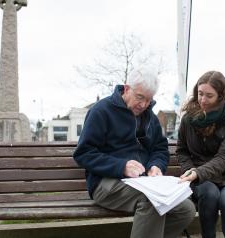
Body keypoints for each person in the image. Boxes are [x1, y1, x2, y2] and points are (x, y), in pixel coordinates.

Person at [73, 69, 196, 238]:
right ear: (126, 89)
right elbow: (84, 153)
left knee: (186, 209)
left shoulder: (150, 118)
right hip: (106, 183)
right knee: (152, 201)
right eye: (140, 97)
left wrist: (156, 165)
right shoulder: (101, 111)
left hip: (143, 183)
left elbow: (159, 148)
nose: (144, 104)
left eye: (149, 99)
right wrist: (121, 166)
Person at [178, 71, 225, 238]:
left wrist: (198, 172)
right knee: (209, 194)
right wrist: (191, 171)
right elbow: (182, 150)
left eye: (209, 96)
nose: (202, 100)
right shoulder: (188, 118)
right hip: (200, 176)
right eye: (200, 93)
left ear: (220, 96)